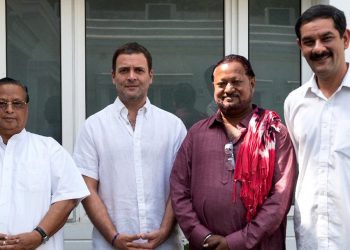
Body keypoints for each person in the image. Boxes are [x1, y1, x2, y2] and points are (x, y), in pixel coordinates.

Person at [170, 54, 297, 250]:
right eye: (221, 84)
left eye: (236, 82)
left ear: (252, 83)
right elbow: (179, 189)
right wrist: (202, 236)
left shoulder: (274, 133)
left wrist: (235, 242)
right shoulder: (197, 133)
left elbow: (280, 199)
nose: (228, 89)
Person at [73, 42, 187, 249]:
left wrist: (163, 232)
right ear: (113, 76)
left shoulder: (173, 127)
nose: (131, 76)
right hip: (109, 245)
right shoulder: (93, 126)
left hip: (165, 245)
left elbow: (181, 186)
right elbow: (87, 189)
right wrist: (113, 237)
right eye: (124, 70)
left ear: (150, 76)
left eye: (139, 70)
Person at [284, 4, 350, 249]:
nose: (318, 48)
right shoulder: (294, 103)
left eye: (327, 38)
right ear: (300, 47)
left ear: (345, 38)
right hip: (311, 238)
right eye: (309, 41)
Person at [0, 77, 89, 250]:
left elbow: (68, 198)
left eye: (17, 103)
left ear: (27, 108)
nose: (9, 110)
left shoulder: (48, 149)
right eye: (1, 103)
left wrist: (38, 235)